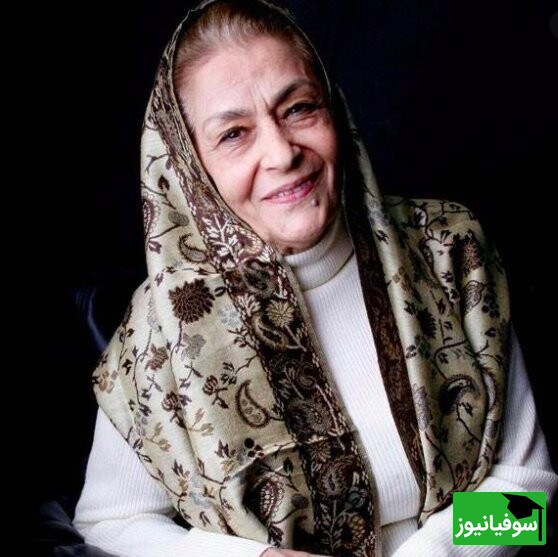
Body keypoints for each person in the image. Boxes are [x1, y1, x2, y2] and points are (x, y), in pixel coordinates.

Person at [73, 1, 557, 556]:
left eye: (299, 108)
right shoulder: (163, 325)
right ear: (188, 166)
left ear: (334, 110)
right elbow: (108, 521)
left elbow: (529, 494)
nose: (282, 153)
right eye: (234, 134)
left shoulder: (449, 250)